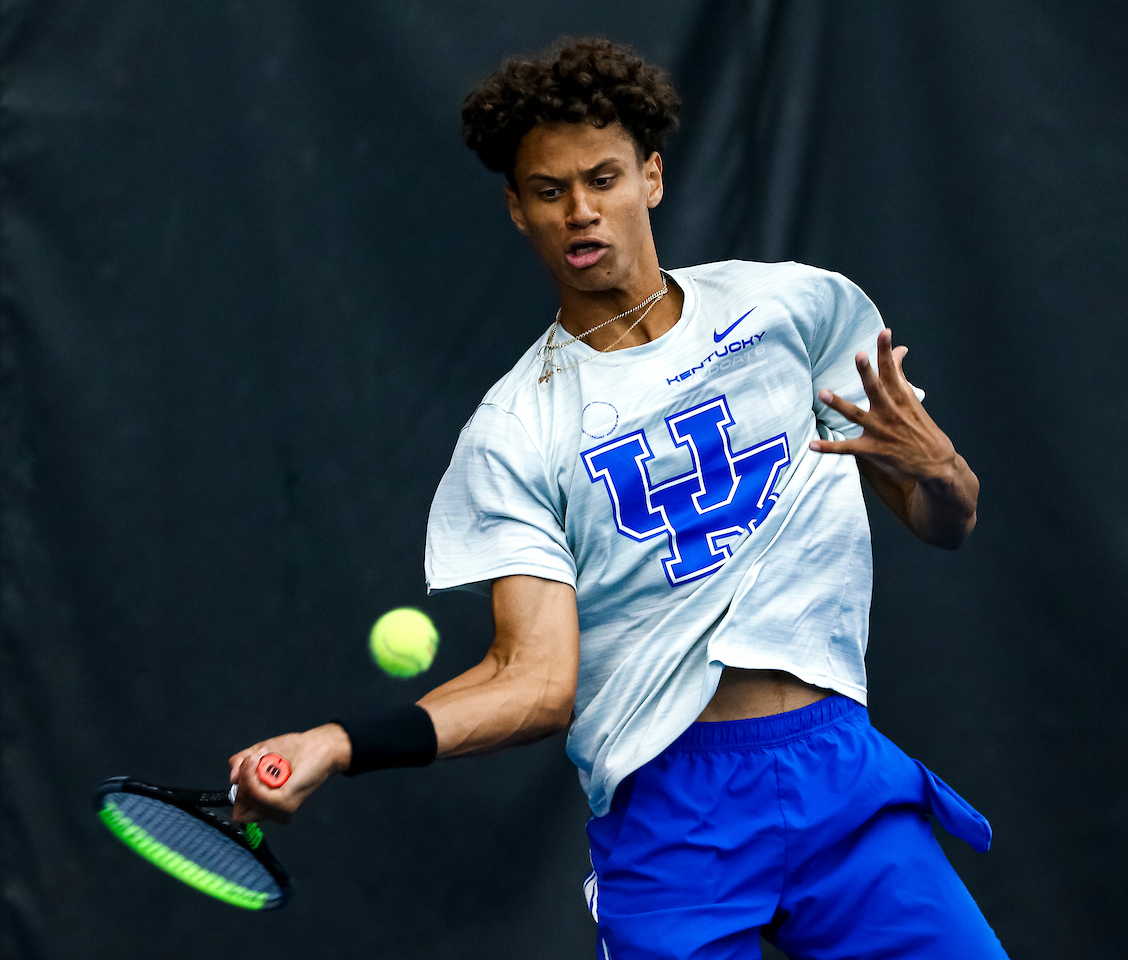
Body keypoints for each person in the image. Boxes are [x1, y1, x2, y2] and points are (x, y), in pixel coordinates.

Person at [228, 37, 1008, 960]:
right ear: (517, 210)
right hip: (675, 818)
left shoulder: (797, 312)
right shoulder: (515, 431)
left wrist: (942, 469)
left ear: (653, 177)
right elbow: (535, 683)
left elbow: (943, 522)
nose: (581, 211)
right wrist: (339, 741)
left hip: (841, 777)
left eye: (602, 178)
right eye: (550, 191)